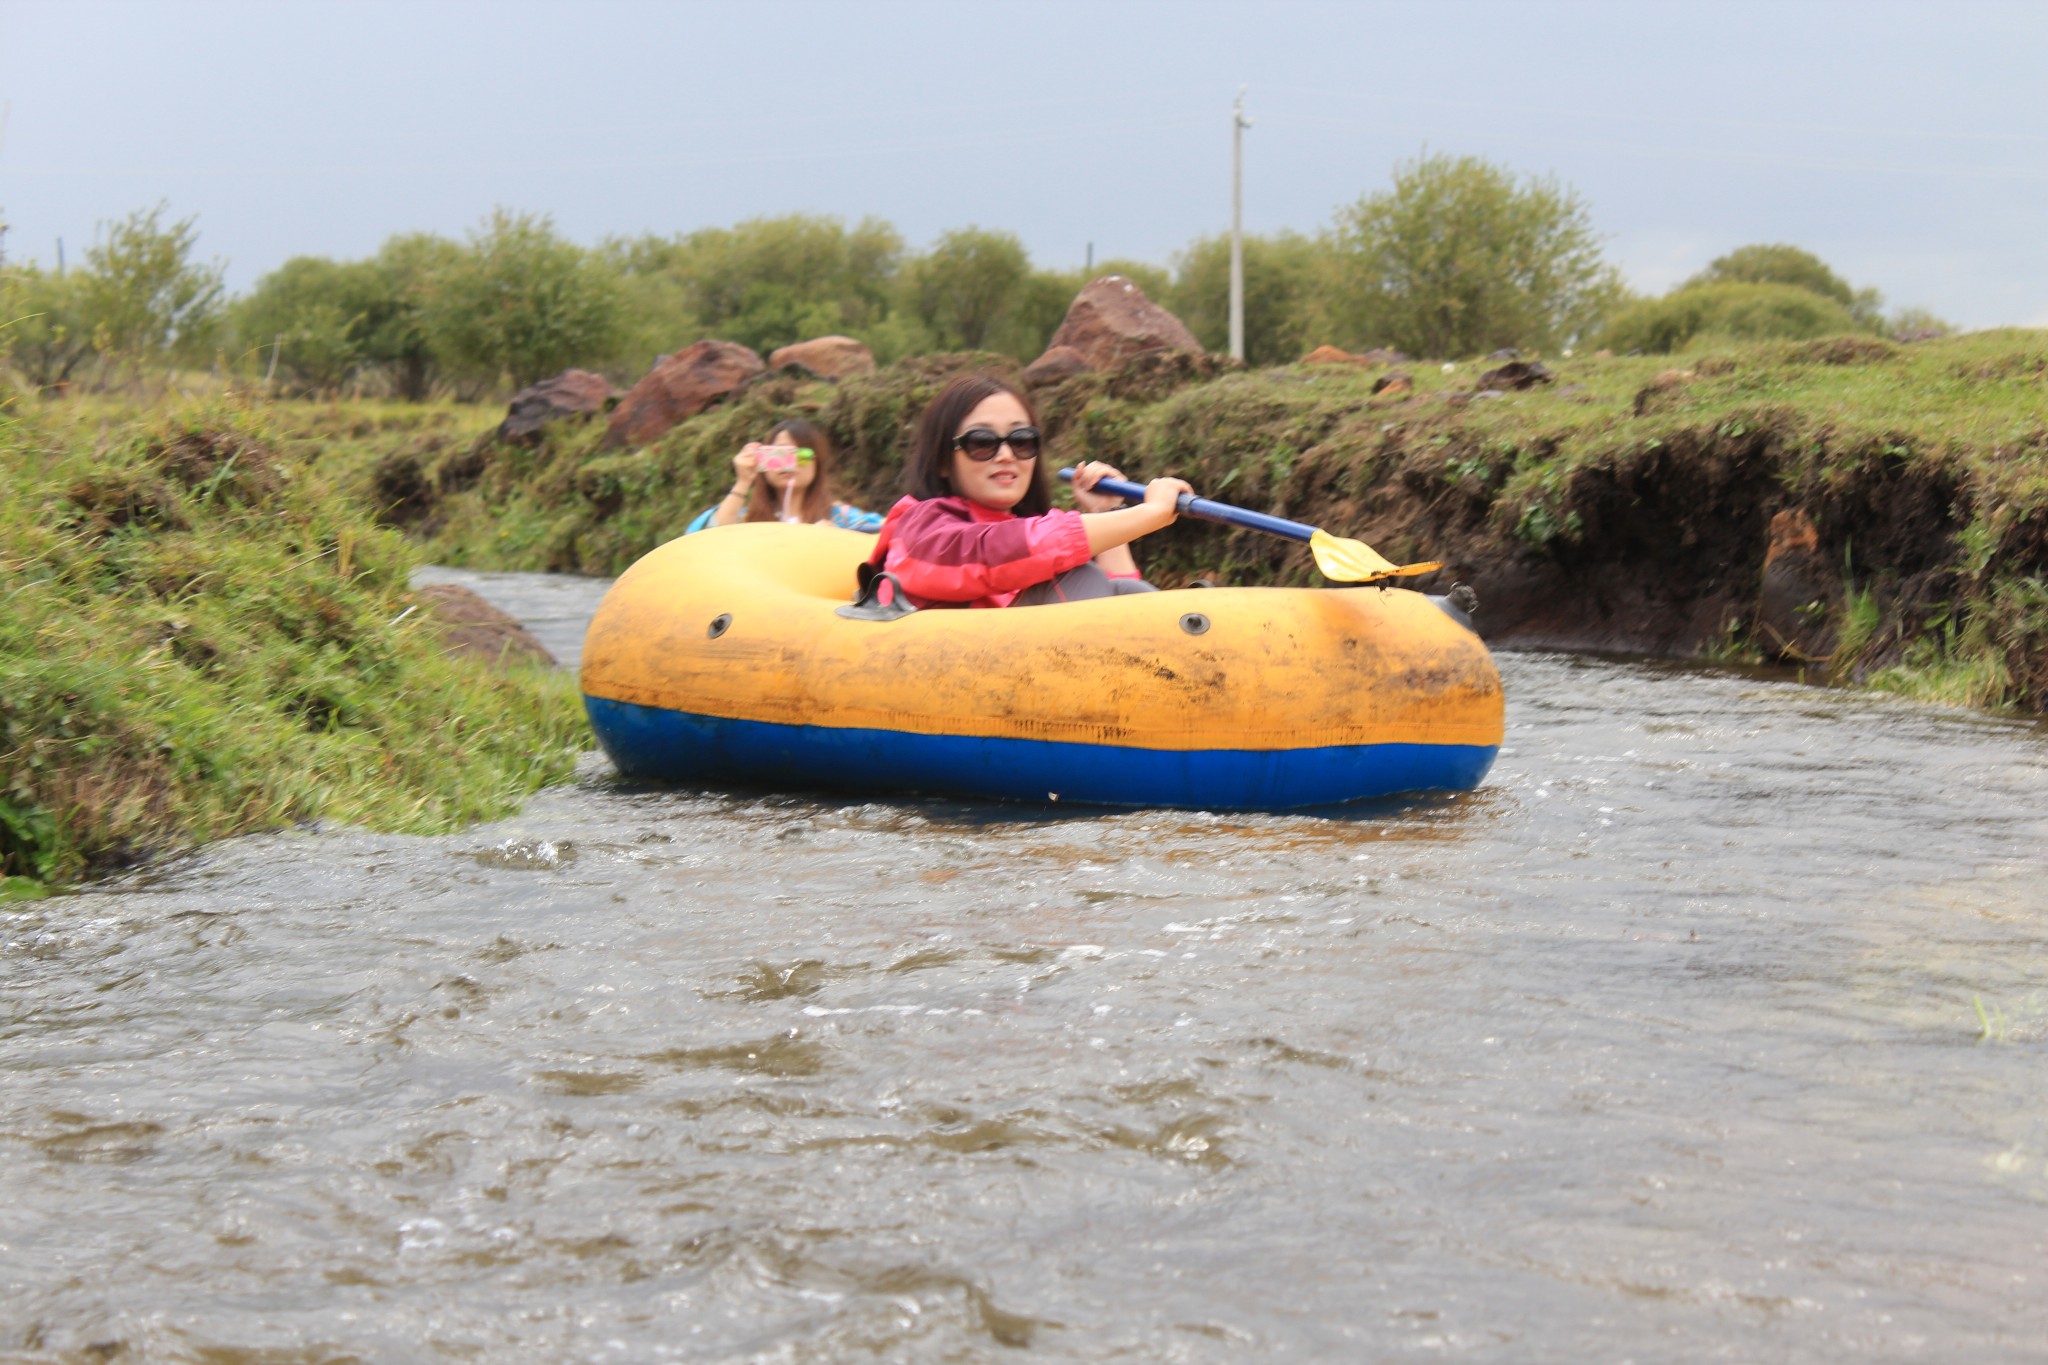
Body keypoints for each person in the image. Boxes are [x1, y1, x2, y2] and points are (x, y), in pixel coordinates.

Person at [865, 374, 1192, 608]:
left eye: (1021, 441)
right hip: (960, 680)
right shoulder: (919, 528)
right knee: (1074, 576)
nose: (1006, 455)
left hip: (1020, 674)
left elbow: (1119, 593)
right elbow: (994, 552)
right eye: (982, 443)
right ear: (943, 462)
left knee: (1123, 588)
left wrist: (1105, 512)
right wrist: (1149, 514)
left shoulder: (1019, 531)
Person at [685, 418, 884, 534]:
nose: (790, 463)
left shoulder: (841, 518)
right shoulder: (746, 518)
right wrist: (743, 482)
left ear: (817, 463)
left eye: (802, 455)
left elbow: (884, 532)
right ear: (763, 461)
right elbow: (710, 537)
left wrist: (837, 538)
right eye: (779, 454)